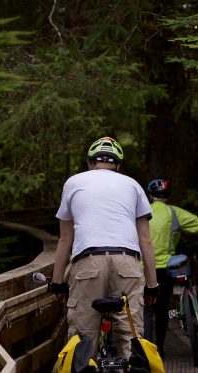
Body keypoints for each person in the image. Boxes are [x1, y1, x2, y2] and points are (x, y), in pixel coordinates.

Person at [49, 137, 159, 356]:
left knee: (84, 339)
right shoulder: (133, 185)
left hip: (88, 264)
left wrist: (57, 282)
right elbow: (145, 240)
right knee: (130, 338)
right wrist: (152, 285)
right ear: (118, 165)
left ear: (90, 163)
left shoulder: (73, 182)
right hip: (127, 264)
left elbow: (65, 239)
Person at [142, 178, 198, 355]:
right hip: (165, 267)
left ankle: (145, 351)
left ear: (150, 195)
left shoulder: (140, 211)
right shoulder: (174, 213)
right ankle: (160, 350)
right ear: (168, 195)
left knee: (146, 309)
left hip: (142, 267)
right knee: (162, 307)